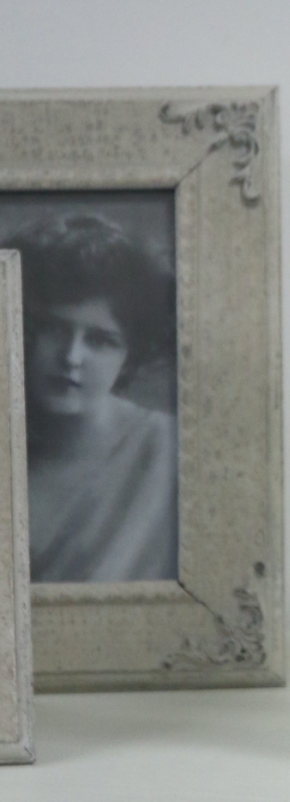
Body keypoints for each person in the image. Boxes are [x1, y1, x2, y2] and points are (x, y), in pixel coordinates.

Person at [5, 213, 177, 583]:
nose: (71, 357)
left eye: (100, 340)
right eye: (53, 328)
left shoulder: (168, 454)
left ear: (132, 353)